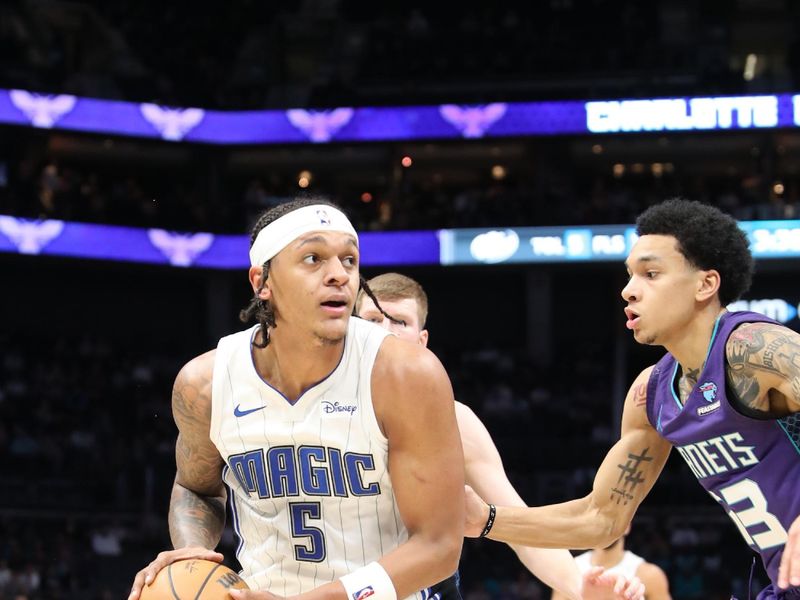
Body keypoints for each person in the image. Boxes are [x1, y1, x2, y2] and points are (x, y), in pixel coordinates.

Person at [129, 197, 466, 600]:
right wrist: (191, 553)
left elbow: (440, 547)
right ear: (262, 282)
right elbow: (195, 488)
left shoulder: (405, 374)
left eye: (349, 260)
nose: (339, 275)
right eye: (313, 258)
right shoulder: (205, 383)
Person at [464, 198, 800, 600]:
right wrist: (486, 520)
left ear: (705, 284)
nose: (629, 290)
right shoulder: (651, 394)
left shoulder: (753, 349)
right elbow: (602, 518)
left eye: (651, 274)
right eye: (629, 276)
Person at [356, 273, 645, 600]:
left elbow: (517, 525)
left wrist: (580, 588)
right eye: (372, 319)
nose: (385, 330)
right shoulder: (302, 408)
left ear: (422, 341)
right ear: (351, 330)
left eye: (399, 321)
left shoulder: (454, 421)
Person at [550, 526, 671, 600]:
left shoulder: (650, 574)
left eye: (614, 519)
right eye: (602, 519)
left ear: (628, 525)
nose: (608, 526)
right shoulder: (569, 569)